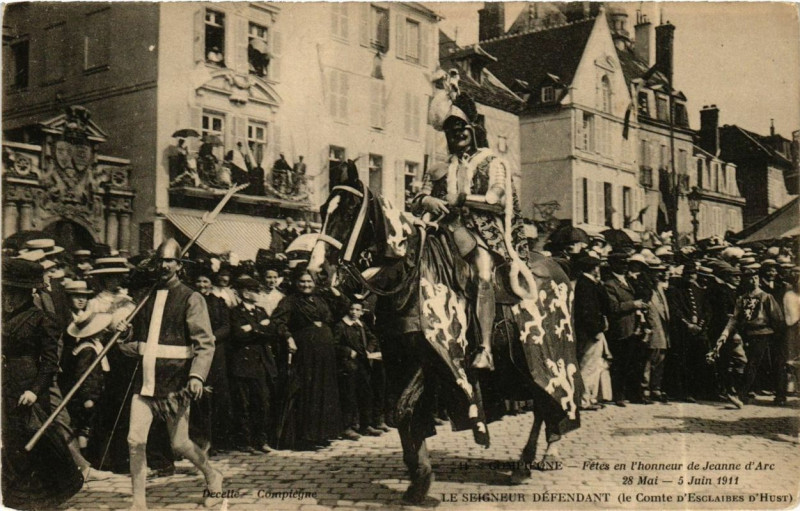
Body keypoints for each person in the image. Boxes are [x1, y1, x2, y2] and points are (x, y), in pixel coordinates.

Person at [415, 69, 531, 371]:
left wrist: (462, 199)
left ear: (473, 130)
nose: (457, 134)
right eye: (451, 131)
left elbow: (497, 200)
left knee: (482, 274)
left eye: (462, 128)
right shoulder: (440, 167)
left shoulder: (493, 162)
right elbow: (420, 196)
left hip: (483, 233)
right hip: (445, 230)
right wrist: (428, 200)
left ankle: (485, 348)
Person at [120, 238, 222, 509]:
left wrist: (197, 376)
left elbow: (205, 343)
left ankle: (212, 475)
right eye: (161, 261)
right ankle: (138, 503)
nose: (164, 266)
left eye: (169, 261)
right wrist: (123, 334)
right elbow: (134, 340)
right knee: (135, 441)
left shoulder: (191, 297)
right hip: (145, 381)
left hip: (175, 383)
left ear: (179, 265)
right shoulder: (146, 296)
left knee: (179, 443)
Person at [2, 259, 84, 509]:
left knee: (37, 440)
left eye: (14, 293)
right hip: (7, 385)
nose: (8, 298)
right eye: (6, 292)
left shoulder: (42, 319)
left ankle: (48, 496)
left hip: (29, 387)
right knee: (12, 442)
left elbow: (49, 363)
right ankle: (16, 499)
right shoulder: (4, 318)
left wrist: (35, 391)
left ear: (28, 293)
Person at [272, 267, 342, 449]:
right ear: (296, 283)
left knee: (324, 389)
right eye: (302, 281)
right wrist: (288, 337)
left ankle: (321, 434)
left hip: (325, 351)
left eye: (309, 281)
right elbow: (278, 322)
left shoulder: (320, 299)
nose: (306, 285)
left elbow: (340, 312)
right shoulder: (289, 301)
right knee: (308, 390)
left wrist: (337, 294)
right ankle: (305, 437)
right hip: (306, 351)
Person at [717, 264, 786, 406]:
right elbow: (735, 319)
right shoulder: (741, 299)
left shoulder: (766, 297)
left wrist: (777, 335)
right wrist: (725, 334)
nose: (753, 281)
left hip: (766, 333)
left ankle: (778, 395)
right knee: (752, 363)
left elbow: (777, 318)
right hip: (749, 334)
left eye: (755, 278)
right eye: (750, 278)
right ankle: (744, 395)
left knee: (770, 363)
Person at [228, 275, 278, 454]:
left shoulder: (261, 311)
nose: (258, 294)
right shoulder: (235, 312)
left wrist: (252, 328)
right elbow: (238, 335)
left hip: (260, 364)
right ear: (245, 293)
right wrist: (260, 327)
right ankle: (245, 442)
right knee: (244, 404)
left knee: (262, 403)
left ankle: (261, 440)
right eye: (255, 291)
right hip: (242, 365)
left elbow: (271, 332)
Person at [193, 267, 232, 453]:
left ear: (211, 284)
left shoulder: (218, 302)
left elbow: (226, 326)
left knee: (218, 396)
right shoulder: (190, 301)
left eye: (205, 281)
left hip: (216, 353)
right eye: (199, 281)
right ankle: (200, 440)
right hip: (196, 351)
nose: (202, 285)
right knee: (199, 396)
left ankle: (217, 440)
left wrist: (212, 338)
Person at [604, 252, 648, 407]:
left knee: (635, 362)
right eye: (621, 263)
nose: (624, 266)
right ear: (613, 265)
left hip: (635, 326)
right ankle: (619, 395)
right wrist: (634, 304)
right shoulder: (610, 284)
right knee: (621, 363)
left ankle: (634, 394)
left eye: (625, 263)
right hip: (621, 327)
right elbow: (613, 307)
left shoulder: (629, 281)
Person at [334, 301, 383, 440]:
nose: (354, 312)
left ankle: (365, 425)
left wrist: (369, 350)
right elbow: (334, 344)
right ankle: (348, 427)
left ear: (362, 312)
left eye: (357, 310)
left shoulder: (361, 325)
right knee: (349, 396)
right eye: (352, 309)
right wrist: (348, 351)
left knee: (365, 394)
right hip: (348, 365)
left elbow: (372, 338)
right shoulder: (341, 326)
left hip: (362, 364)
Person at [573, 254, 611, 410]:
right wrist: (595, 330)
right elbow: (587, 312)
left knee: (592, 365)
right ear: (594, 268)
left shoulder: (588, 283)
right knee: (588, 366)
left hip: (592, 330)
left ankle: (590, 397)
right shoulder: (586, 285)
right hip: (590, 332)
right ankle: (584, 400)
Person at [640, 261, 670, 404]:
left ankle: (655, 388)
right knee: (649, 359)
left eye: (660, 271)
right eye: (655, 271)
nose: (659, 274)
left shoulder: (660, 289)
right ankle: (644, 389)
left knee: (660, 358)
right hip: (652, 328)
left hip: (662, 329)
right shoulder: (644, 288)